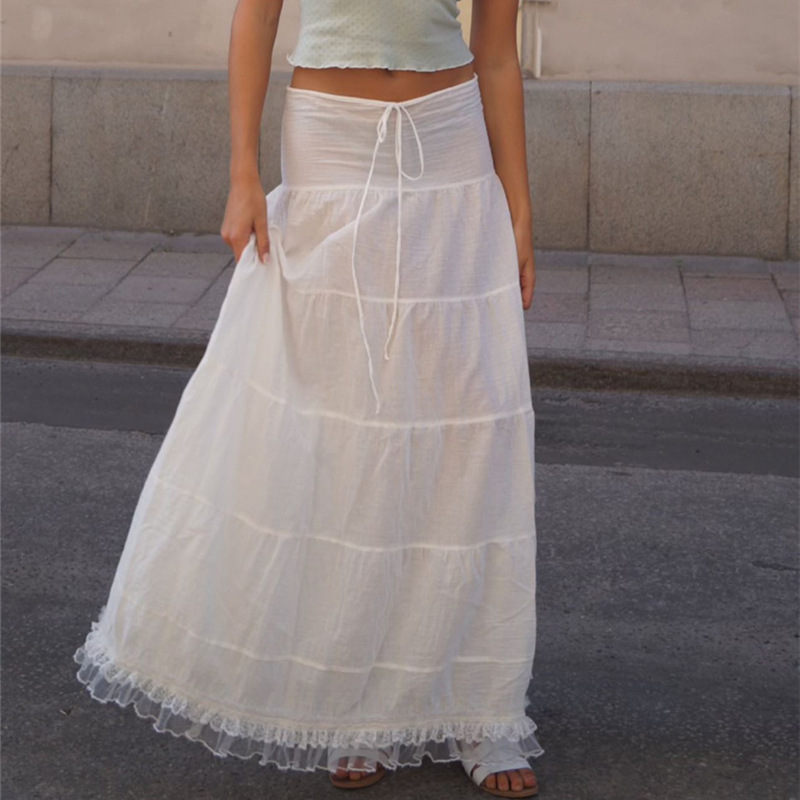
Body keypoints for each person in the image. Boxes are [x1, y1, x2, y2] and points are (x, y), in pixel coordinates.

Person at [73, 0, 542, 797]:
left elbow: (497, 52)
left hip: (451, 145)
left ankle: (480, 707)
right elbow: (256, 16)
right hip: (330, 136)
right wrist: (243, 174)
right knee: (347, 431)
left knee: (464, 431)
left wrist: (520, 211)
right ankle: (355, 709)